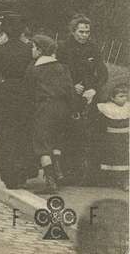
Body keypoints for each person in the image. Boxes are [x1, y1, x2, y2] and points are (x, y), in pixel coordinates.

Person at [0, 13, 35, 189]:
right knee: (23, 134)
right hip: (25, 94)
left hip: (5, 94)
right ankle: (22, 174)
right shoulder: (29, 49)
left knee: (7, 137)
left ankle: (9, 176)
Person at [57, 15, 109, 184]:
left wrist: (93, 89)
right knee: (67, 134)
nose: (84, 35)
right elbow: (57, 72)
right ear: (73, 32)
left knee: (88, 134)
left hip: (89, 97)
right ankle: (65, 172)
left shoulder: (93, 48)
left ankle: (86, 173)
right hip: (68, 96)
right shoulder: (63, 48)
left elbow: (102, 73)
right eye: (81, 31)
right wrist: (71, 86)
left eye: (87, 31)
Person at [27, 34, 78, 193]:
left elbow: (28, 91)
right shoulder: (63, 67)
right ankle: (58, 171)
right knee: (56, 140)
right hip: (62, 108)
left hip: (45, 108)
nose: (32, 50)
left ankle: (50, 182)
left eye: (33, 47)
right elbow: (70, 91)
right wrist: (73, 110)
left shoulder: (34, 68)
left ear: (40, 50)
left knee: (42, 144)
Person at [91, 83, 129, 190]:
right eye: (121, 96)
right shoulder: (107, 107)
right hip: (111, 137)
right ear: (113, 98)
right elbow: (99, 122)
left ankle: (125, 181)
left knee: (124, 158)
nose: (124, 99)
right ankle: (111, 180)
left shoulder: (128, 107)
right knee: (112, 157)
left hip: (125, 137)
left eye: (125, 96)